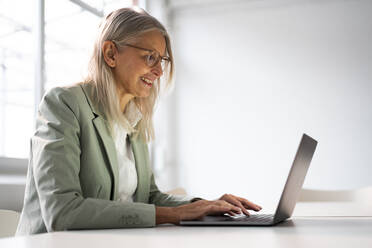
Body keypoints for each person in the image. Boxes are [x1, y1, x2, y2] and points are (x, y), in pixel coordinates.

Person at [16, 7, 262, 235]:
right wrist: (175, 214)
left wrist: (204, 205)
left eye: (161, 60)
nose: (159, 72)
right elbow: (62, 213)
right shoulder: (64, 104)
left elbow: (148, 197)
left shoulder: (133, 117)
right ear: (111, 53)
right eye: (150, 57)